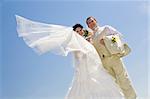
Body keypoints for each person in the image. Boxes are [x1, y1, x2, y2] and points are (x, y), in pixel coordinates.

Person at [16, 15, 124, 99]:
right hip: (91, 67)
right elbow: (78, 56)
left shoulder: (99, 32)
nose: (79, 32)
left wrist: (109, 41)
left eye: (80, 30)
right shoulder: (77, 43)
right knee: (91, 87)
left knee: (121, 81)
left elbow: (117, 36)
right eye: (77, 31)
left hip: (110, 60)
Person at [86, 16, 137, 99]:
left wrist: (107, 40)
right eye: (89, 23)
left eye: (92, 21)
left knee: (123, 79)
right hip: (104, 63)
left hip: (113, 57)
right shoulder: (92, 38)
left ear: (96, 21)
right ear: (88, 26)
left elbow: (118, 36)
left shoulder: (106, 28)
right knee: (113, 84)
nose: (91, 23)